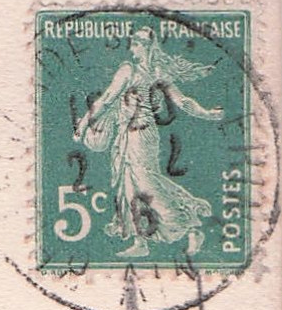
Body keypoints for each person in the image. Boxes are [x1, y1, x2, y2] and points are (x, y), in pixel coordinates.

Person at [72, 26, 225, 259]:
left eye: (136, 42)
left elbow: (105, 101)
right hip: (137, 134)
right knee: (132, 186)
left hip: (138, 136)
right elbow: (182, 101)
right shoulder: (156, 71)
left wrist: (82, 126)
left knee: (145, 184)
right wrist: (206, 113)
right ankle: (140, 241)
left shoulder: (130, 70)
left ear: (140, 46)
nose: (134, 46)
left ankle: (190, 228)